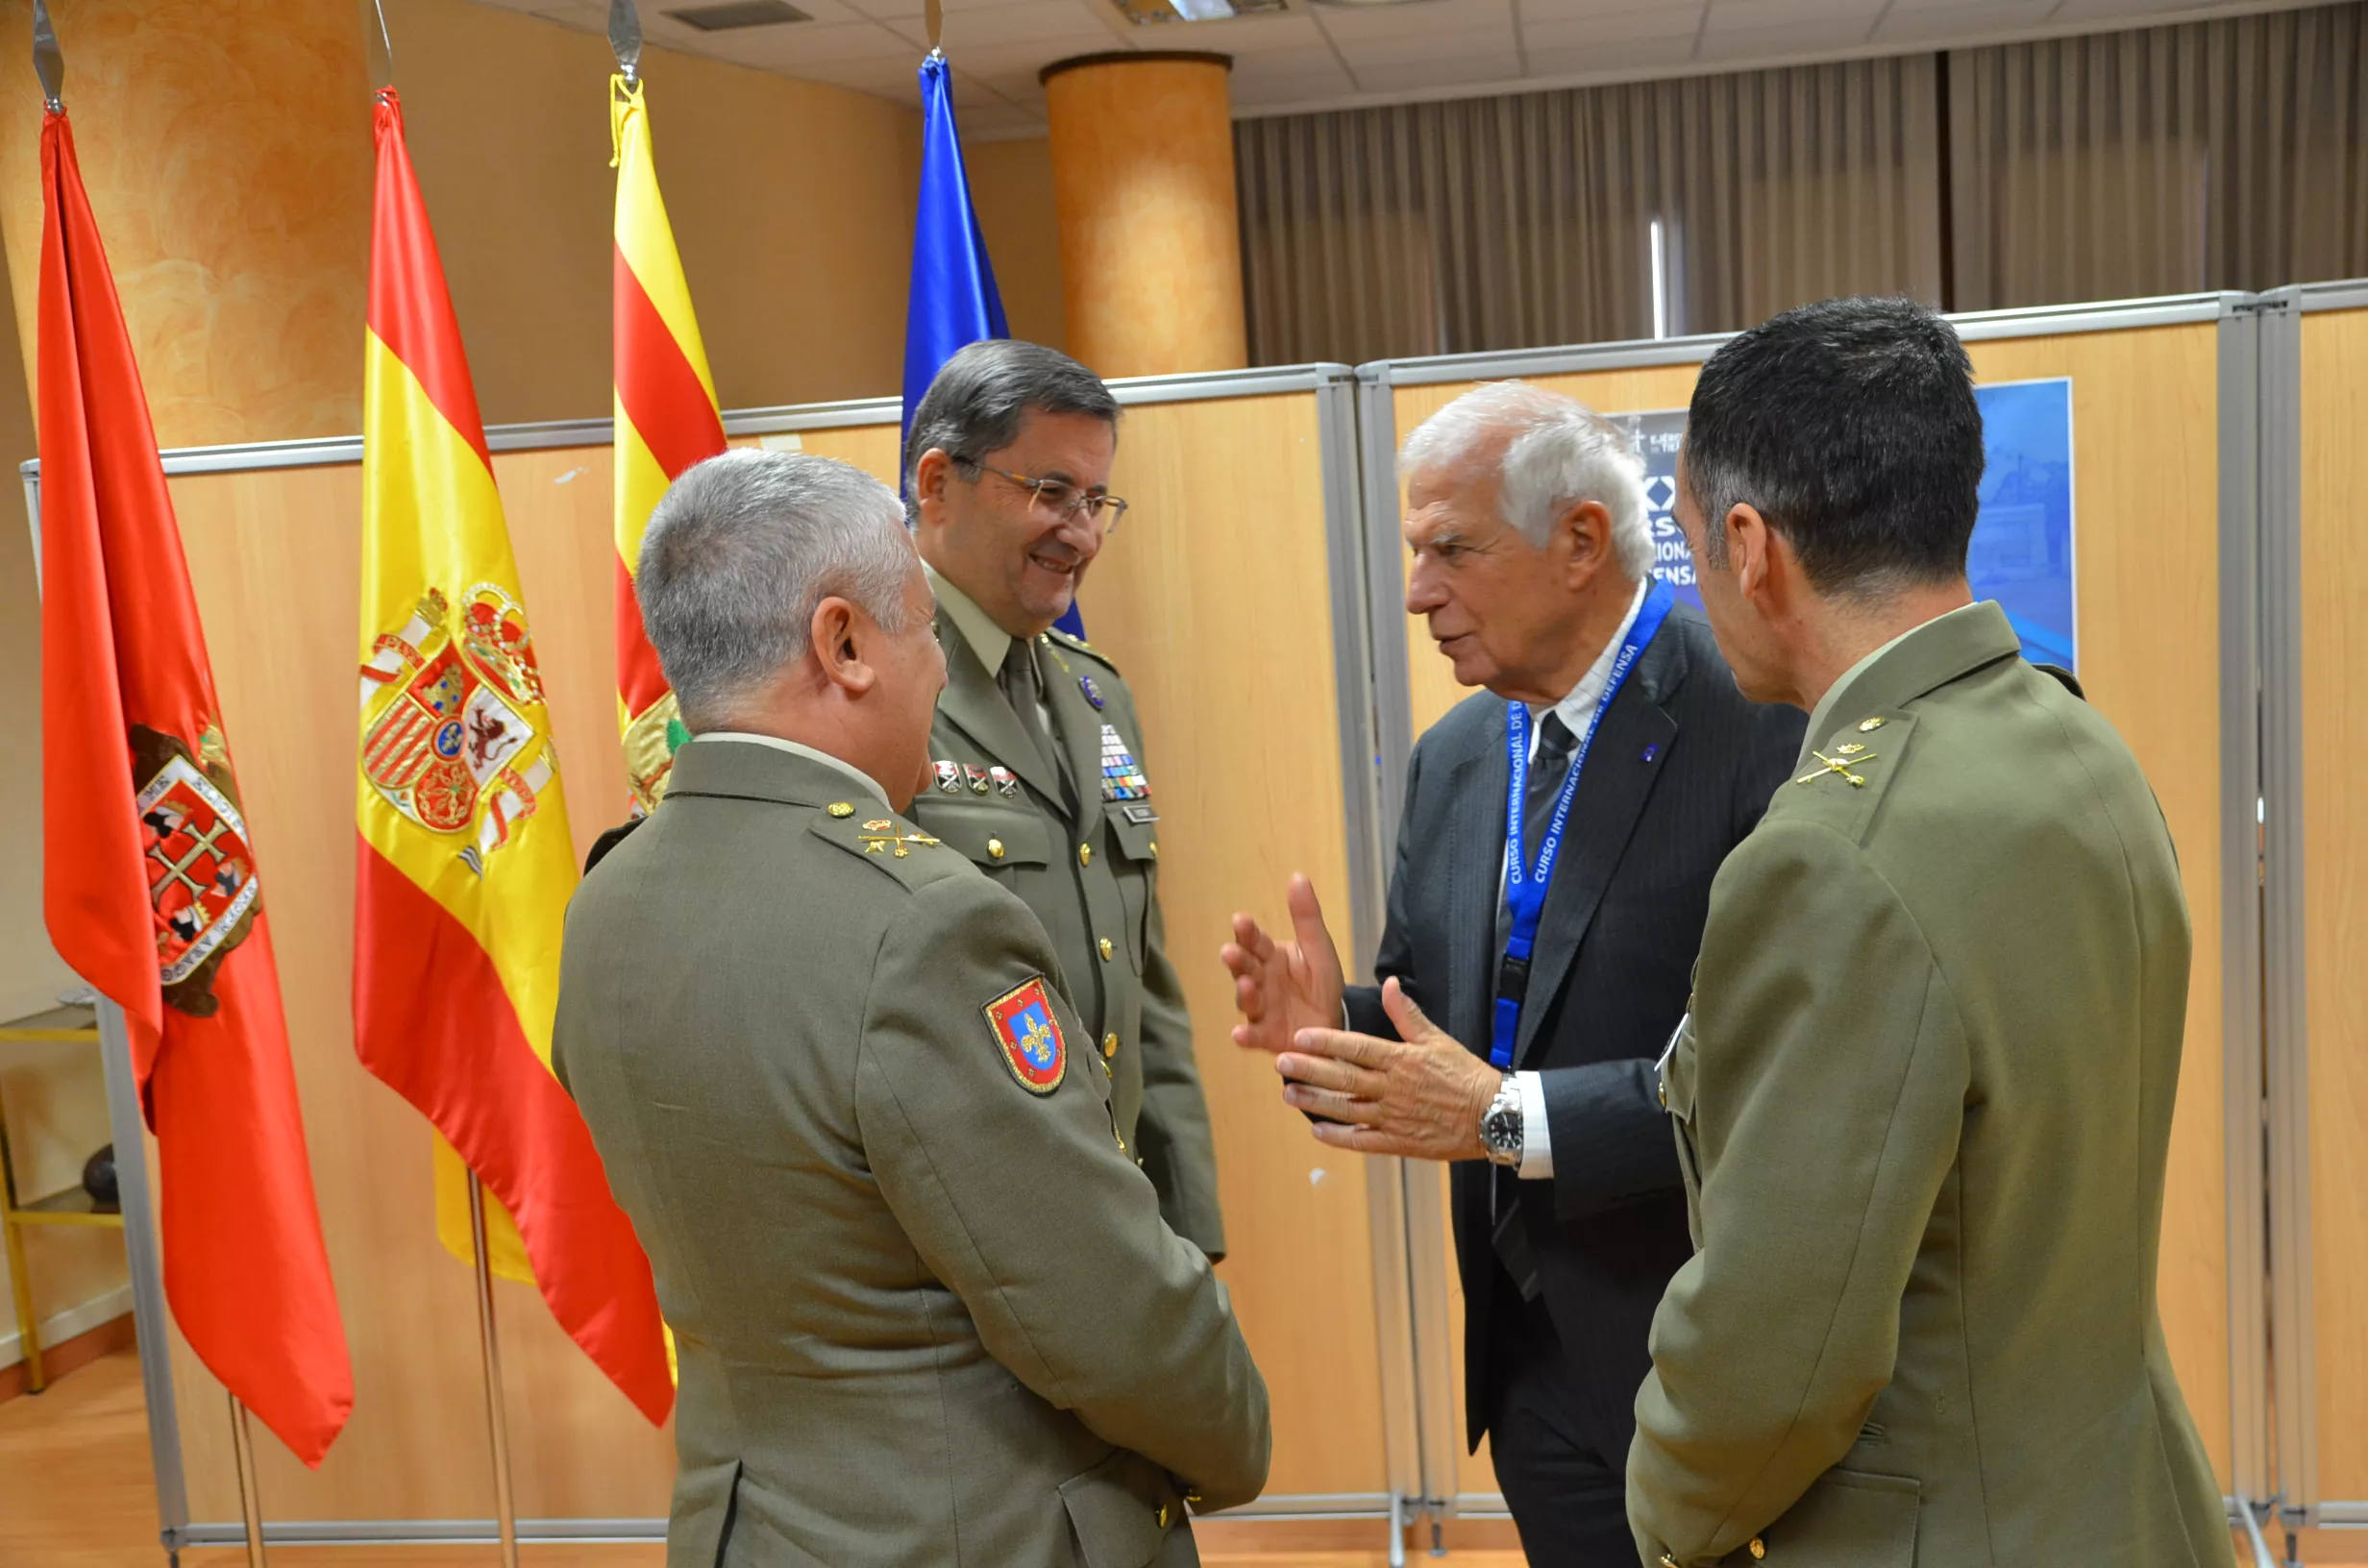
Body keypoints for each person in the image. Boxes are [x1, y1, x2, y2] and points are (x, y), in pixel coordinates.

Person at [553, 450, 1270, 1567]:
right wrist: (1238, 1444)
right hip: (981, 1528)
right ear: (842, 645)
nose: (942, 671)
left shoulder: (607, 898)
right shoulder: (925, 923)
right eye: (925, 630)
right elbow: (1100, 1308)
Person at [1624, 298, 2225, 1565]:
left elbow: (1779, 1352)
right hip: (2124, 1506)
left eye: (1683, 535)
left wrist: (1665, 1510)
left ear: (1750, 546)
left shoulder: (1832, 853)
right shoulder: (2077, 744)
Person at [1221, 382, 1803, 1561]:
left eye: (1451, 549)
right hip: (1523, 1357)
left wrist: (1496, 1116)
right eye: (1411, 549)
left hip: (1709, 1357)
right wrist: (1330, 1030)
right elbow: (1438, 1027)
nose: (1416, 590)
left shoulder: (1755, 723)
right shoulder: (1455, 757)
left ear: (1580, 541)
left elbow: (1779, 1077)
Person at [901, 339, 1225, 1258]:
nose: (1080, 534)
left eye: (1094, 502)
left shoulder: (1093, 692)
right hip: (962, 1246)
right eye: (1049, 493)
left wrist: (1186, 1237)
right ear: (937, 483)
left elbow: (1142, 986)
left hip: (1110, 1231)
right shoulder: (867, 688)